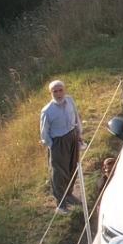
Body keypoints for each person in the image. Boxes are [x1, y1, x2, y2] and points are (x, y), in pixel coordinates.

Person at [39, 78, 82, 210]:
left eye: (60, 90)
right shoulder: (47, 110)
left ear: (64, 90)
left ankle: (69, 194)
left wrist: (79, 134)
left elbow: (76, 116)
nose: (58, 94)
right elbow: (44, 132)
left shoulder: (69, 100)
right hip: (58, 142)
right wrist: (53, 146)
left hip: (72, 136)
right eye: (55, 91)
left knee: (72, 167)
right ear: (50, 93)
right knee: (59, 173)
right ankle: (61, 204)